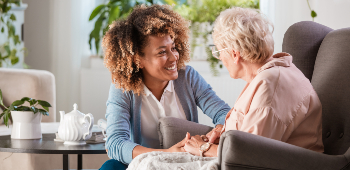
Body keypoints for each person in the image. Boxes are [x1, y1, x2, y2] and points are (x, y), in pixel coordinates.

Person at [99, 4, 231, 170]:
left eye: (173, 48)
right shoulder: (123, 88)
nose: (173, 57)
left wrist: (217, 131)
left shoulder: (188, 77)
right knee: (110, 166)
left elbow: (224, 114)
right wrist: (165, 154)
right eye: (162, 52)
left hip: (184, 164)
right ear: (137, 59)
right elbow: (115, 143)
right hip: (142, 164)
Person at [183, 7, 324, 157]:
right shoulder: (270, 74)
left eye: (218, 52)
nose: (220, 58)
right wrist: (223, 134)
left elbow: (250, 154)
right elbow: (252, 133)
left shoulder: (270, 84)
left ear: (234, 54)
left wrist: (203, 148)